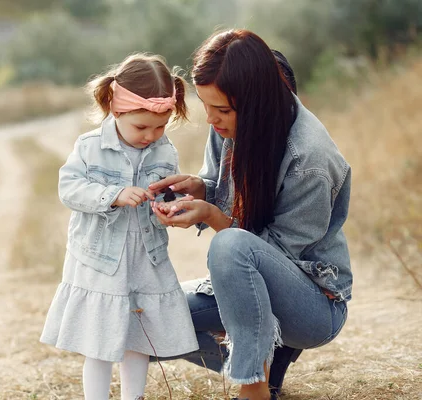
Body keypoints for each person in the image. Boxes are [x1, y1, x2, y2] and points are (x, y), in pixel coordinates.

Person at [150, 29, 352, 400]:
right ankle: (267, 358)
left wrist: (212, 215)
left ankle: (253, 388)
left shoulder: (310, 160)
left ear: (257, 102)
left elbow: (270, 255)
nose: (211, 119)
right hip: (246, 283)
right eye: (205, 105)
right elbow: (224, 193)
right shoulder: (230, 124)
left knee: (228, 245)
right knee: (144, 318)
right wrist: (201, 188)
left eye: (222, 109)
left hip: (311, 303)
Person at [40, 53, 199, 400]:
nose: (151, 135)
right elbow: (70, 189)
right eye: (141, 127)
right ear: (117, 109)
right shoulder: (89, 147)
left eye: (160, 127)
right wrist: (113, 194)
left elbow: (166, 189)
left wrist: (169, 205)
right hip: (100, 260)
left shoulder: (164, 150)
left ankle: (134, 396)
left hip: (144, 257)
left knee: (137, 333)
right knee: (98, 340)